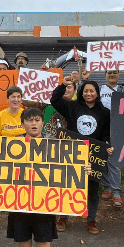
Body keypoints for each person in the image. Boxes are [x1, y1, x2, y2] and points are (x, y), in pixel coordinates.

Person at [0, 107, 89, 247]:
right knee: (22, 233)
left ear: (42, 123)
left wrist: (83, 169)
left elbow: (67, 167)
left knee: (43, 234)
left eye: (37, 120)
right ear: (23, 124)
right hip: (19, 198)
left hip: (44, 200)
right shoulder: (12, 144)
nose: (33, 123)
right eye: (29, 120)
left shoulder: (54, 143)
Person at [50, 79, 113, 235]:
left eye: (92, 91)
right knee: (68, 186)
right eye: (85, 91)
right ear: (81, 92)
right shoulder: (71, 106)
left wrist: (107, 145)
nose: (88, 94)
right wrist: (64, 85)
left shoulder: (105, 112)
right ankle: (63, 218)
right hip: (72, 153)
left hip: (94, 156)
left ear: (97, 93)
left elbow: (106, 133)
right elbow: (55, 100)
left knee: (92, 189)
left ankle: (91, 220)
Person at [97, 67, 124, 210]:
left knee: (114, 160)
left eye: (115, 72)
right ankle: (107, 186)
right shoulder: (99, 89)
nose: (112, 75)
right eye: (109, 72)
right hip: (101, 127)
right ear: (105, 75)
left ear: (118, 75)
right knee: (101, 159)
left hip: (119, 127)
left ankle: (117, 191)